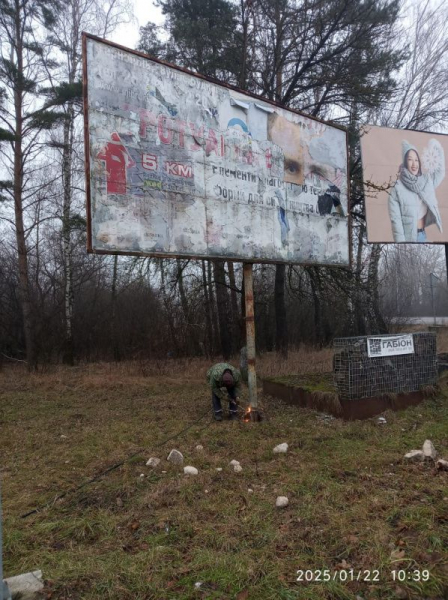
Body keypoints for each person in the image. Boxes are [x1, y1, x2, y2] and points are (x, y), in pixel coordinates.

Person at [388, 139, 445, 242]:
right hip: (408, 240)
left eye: (416, 160)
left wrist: (438, 147)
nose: (414, 164)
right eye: (410, 159)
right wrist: (402, 245)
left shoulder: (426, 181)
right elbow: (396, 221)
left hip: (423, 235)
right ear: (405, 162)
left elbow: (440, 172)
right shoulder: (397, 189)